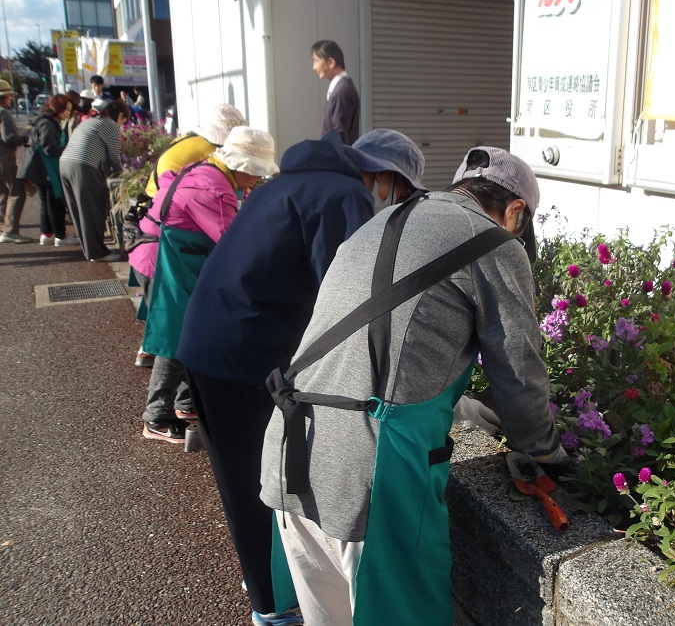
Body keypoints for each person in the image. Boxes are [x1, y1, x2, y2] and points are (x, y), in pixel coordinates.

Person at [259, 146, 566, 625]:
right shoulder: (496, 245)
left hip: (291, 448)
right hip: (371, 473)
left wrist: (460, 405)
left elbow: (376, 348)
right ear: (516, 211)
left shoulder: (383, 219)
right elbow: (519, 375)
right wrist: (548, 453)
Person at [176, 128, 425, 626]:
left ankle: (265, 584)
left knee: (242, 476)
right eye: (400, 192)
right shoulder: (345, 195)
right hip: (243, 352)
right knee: (259, 480)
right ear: (386, 176)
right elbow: (350, 293)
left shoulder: (292, 182)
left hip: (211, 340)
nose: (393, 203)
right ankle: (272, 606)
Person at [137, 126, 278, 444]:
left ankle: (186, 403)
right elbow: (232, 243)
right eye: (257, 173)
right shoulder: (213, 190)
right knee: (175, 339)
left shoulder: (210, 171)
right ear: (242, 166)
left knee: (192, 332)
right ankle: (156, 416)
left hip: (172, 257)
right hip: (165, 261)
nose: (258, 180)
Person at [59, 99, 131, 262]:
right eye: (123, 121)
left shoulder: (90, 121)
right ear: (120, 115)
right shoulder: (110, 124)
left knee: (78, 210)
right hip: (84, 166)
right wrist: (123, 173)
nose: (122, 125)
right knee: (92, 209)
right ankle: (97, 253)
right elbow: (114, 156)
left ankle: (90, 250)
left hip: (65, 164)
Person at [16, 94, 79, 246]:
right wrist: (68, 149)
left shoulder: (42, 120)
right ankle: (60, 236)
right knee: (55, 202)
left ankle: (46, 233)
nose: (68, 113)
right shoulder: (48, 124)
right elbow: (49, 148)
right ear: (57, 108)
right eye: (66, 109)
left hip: (40, 168)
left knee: (46, 202)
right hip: (48, 168)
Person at [144, 103, 246, 198]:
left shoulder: (189, 138)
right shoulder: (213, 151)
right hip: (162, 203)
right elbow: (234, 184)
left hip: (151, 197)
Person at [311, 40, 360, 144]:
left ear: (331, 62)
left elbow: (339, 136)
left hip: (336, 155)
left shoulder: (342, 91)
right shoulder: (341, 88)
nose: (314, 67)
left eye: (316, 61)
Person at [0, 79, 31, 243]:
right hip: (4, 156)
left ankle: (3, 227)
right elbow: (10, 138)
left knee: (2, 193)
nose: (11, 99)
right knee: (17, 191)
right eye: (9, 96)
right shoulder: (3, 113)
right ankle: (10, 231)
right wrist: (25, 139)